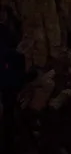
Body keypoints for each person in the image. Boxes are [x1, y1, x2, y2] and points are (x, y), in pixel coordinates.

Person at [0, 8, 27, 152]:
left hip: (8, 77)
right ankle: (9, 142)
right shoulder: (4, 31)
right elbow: (8, 51)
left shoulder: (6, 29)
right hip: (7, 78)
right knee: (9, 110)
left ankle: (10, 140)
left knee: (9, 110)